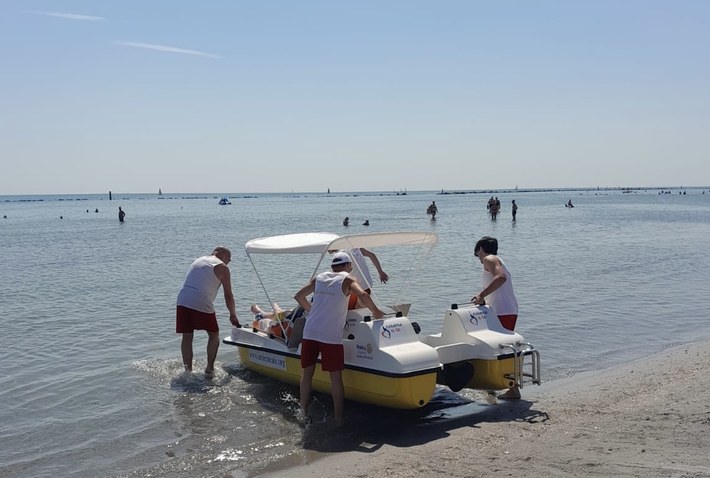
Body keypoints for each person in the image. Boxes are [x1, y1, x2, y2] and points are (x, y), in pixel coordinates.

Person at [294, 251, 384, 426]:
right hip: (330, 335)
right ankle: (338, 419)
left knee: (307, 375)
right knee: (335, 378)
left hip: (310, 331)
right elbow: (363, 295)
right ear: (349, 265)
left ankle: (302, 412)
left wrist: (312, 311)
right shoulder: (348, 279)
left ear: (332, 266)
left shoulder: (320, 278)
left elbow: (298, 296)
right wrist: (376, 311)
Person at [176, 247, 240, 377]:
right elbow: (228, 295)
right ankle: (209, 369)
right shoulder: (222, 267)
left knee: (187, 336)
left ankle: (187, 371)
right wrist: (233, 314)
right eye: (229, 258)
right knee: (214, 334)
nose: (229, 262)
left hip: (182, 300)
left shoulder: (198, 260)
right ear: (221, 254)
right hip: (201, 300)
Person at [471, 236, 520, 399]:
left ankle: (513, 389)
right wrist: (485, 300)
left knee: (503, 349)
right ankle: (497, 385)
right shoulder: (497, 260)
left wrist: (481, 294)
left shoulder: (489, 259)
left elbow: (500, 278)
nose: (479, 259)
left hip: (502, 311)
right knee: (501, 348)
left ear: (481, 249)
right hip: (505, 309)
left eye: (477, 254)